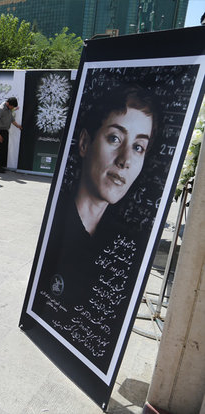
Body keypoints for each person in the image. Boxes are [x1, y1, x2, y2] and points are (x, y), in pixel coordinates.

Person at [32, 85, 159, 368]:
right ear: (84, 143)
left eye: (139, 147)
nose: (125, 159)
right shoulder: (58, 224)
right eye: (115, 138)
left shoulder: (122, 246)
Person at [0, 97, 22, 173]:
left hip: (5, 131)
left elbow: (11, 119)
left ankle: (0, 166)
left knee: (3, 149)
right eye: (12, 106)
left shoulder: (9, 109)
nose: (12, 108)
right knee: (0, 149)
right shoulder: (0, 109)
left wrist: (18, 126)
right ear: (8, 103)